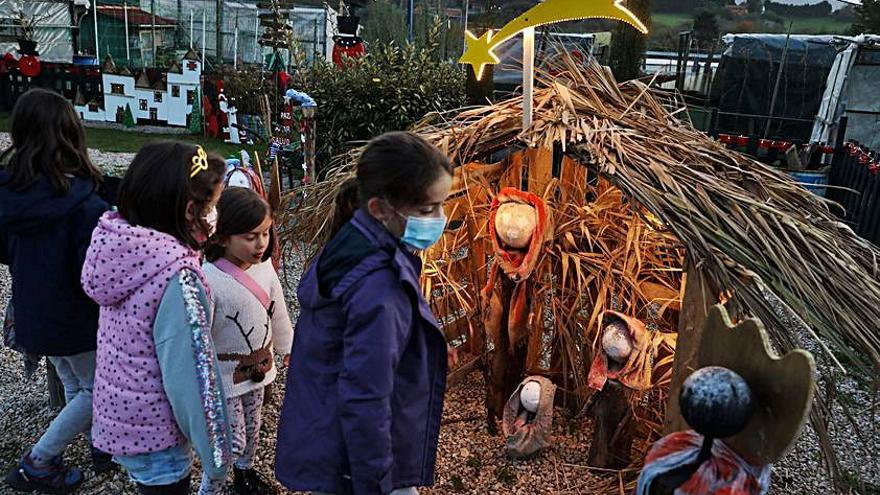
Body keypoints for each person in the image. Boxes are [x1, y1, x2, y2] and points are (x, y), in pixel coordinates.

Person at [275, 131, 455, 495]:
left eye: (441, 205)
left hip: (334, 446)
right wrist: (375, 482)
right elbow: (366, 396)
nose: (440, 218)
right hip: (361, 464)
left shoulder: (351, 243)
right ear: (380, 208)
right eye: (426, 210)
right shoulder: (379, 289)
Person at [80, 142, 231, 495]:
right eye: (212, 206)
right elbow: (193, 379)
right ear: (190, 211)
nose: (215, 214)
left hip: (125, 419)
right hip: (159, 434)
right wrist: (217, 460)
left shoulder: (121, 245)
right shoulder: (177, 278)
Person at [0, 88, 111, 493]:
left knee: (75, 384)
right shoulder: (84, 205)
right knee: (95, 390)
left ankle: (100, 444)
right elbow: (96, 274)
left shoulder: (11, 196)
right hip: (75, 320)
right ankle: (38, 462)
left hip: (34, 314)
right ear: (72, 136)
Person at [200, 187, 293, 495]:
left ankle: (245, 474)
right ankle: (210, 488)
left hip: (260, 369)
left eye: (265, 234)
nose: (261, 243)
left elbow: (277, 311)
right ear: (222, 236)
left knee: (253, 428)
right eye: (251, 236)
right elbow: (197, 337)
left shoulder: (265, 268)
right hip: (223, 378)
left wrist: (288, 349)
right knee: (231, 440)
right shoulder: (207, 279)